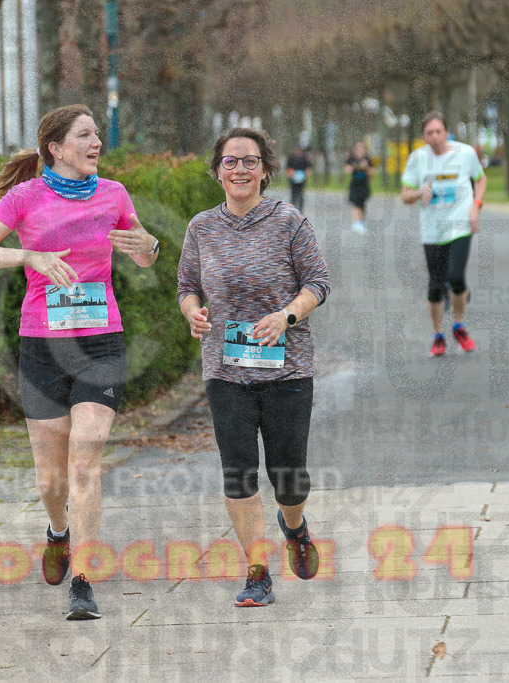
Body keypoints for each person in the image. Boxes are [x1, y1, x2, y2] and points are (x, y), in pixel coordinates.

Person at [0, 104, 159, 620]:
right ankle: (58, 531)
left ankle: (84, 580)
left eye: (97, 135)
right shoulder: (25, 197)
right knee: (51, 481)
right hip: (42, 345)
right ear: (56, 147)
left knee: (85, 462)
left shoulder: (114, 194)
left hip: (101, 342)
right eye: (85, 135)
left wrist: (151, 246)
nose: (97, 143)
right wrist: (26, 257)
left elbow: (141, 253)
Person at [177, 128, 330, 607]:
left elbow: (319, 282)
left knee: (289, 478)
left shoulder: (289, 222)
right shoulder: (201, 227)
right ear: (217, 171)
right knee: (239, 473)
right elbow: (186, 284)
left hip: (287, 370)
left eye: (250, 161)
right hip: (226, 370)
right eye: (230, 161)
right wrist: (191, 311)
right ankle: (257, 573)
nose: (239, 169)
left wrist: (286, 317)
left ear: (265, 170)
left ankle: (295, 526)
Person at [400, 111, 486, 357]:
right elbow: (405, 195)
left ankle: (459, 326)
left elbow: (481, 180)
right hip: (432, 230)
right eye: (429, 133)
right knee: (435, 287)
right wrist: (419, 194)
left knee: (457, 277)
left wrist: (476, 207)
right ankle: (438, 336)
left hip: (460, 225)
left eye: (439, 131)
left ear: (446, 132)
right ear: (424, 137)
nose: (435, 136)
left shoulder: (465, 153)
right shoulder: (418, 159)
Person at [344, 141, 374, 234]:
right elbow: (347, 170)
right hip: (354, 185)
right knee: (355, 204)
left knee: (362, 205)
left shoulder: (368, 159)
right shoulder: (351, 158)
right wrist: (357, 166)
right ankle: (356, 223)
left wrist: (366, 167)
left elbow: (372, 174)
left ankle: (361, 222)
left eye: (362, 148)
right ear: (355, 149)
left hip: (364, 185)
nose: (360, 150)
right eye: (358, 148)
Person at [285, 145, 311, 213]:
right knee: (293, 193)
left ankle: (300, 208)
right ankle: (292, 207)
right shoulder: (291, 158)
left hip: (301, 177)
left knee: (301, 193)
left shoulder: (304, 159)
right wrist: (289, 174)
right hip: (293, 177)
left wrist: (306, 174)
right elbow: (288, 167)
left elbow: (308, 168)